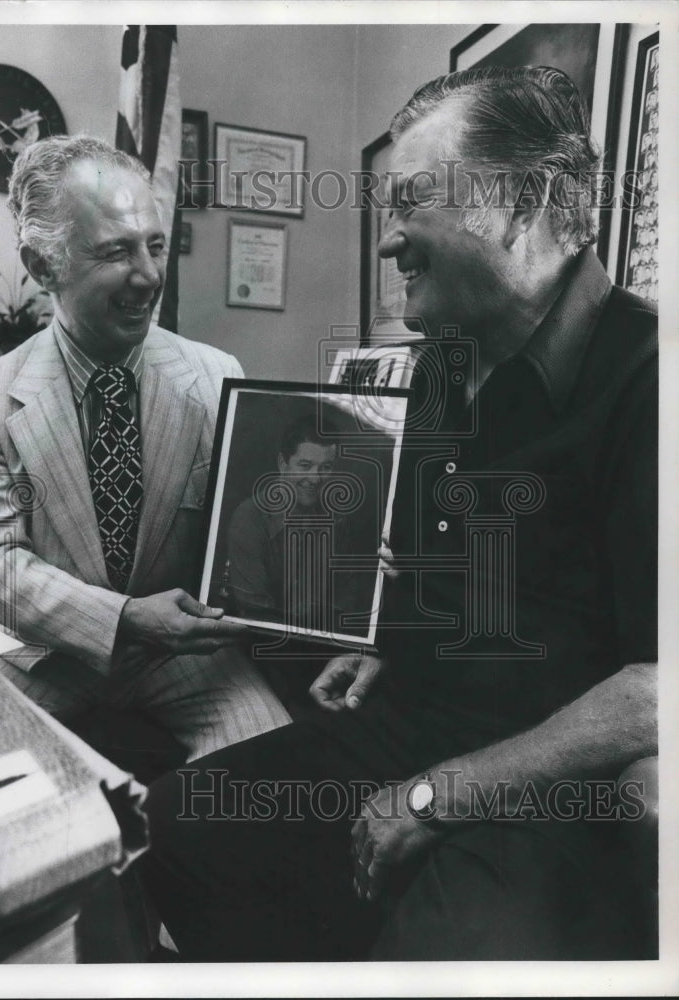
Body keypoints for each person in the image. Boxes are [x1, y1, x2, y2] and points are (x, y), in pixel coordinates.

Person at [140, 66, 657, 961]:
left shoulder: (652, 377)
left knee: (437, 953)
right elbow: (439, 568)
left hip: (558, 785)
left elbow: (659, 688)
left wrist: (440, 795)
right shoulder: (440, 369)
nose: (390, 246)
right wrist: (384, 642)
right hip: (416, 724)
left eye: (413, 204)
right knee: (180, 822)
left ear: (526, 204)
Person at [0, 135, 290, 763]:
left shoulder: (215, 377)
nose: (150, 275)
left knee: (265, 772)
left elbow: (254, 529)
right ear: (43, 265)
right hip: (50, 656)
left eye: (155, 245)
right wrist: (125, 616)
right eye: (116, 251)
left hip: (185, 658)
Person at [226, 414, 368, 635]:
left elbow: (347, 600)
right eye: (305, 465)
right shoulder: (248, 518)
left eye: (326, 467)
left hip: (320, 647)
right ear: (283, 464)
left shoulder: (336, 520)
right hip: (259, 647)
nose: (315, 479)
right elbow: (254, 615)